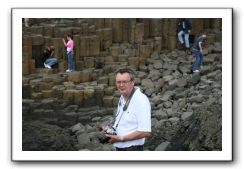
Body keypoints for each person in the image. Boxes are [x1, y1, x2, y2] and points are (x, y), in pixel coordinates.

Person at [106, 68, 151, 151]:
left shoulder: (141, 100)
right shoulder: (122, 97)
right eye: (118, 82)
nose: (121, 85)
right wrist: (110, 128)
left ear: (132, 82)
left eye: (124, 82)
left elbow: (145, 132)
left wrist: (120, 138)